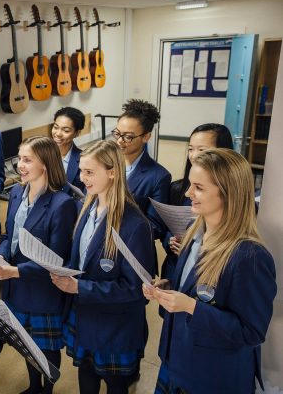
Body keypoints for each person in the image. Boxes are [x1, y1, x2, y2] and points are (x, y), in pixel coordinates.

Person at [144, 148, 277, 393]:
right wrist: (168, 290)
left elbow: (251, 332)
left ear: (228, 193)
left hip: (211, 377)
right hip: (175, 361)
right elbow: (194, 291)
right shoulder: (194, 232)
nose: (187, 193)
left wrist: (191, 307)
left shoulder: (250, 257)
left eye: (199, 187)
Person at [52, 140, 155, 394]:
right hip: (86, 316)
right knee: (86, 377)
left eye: (89, 172)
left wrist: (80, 287)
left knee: (115, 387)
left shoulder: (135, 225)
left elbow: (136, 289)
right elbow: (81, 260)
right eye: (81, 170)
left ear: (112, 172)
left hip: (115, 327)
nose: (82, 178)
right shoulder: (87, 208)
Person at [0, 136, 77, 394]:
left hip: (41, 290)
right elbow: (8, 235)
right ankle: (34, 387)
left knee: (45, 349)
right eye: (19, 159)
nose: (20, 166)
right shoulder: (16, 192)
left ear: (46, 164)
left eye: (27, 160)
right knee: (26, 344)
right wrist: (1, 255)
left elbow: (57, 259)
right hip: (15, 288)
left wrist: (14, 271)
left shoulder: (62, 204)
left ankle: (46, 391)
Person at [161, 123, 233, 280]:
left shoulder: (231, 197)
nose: (194, 156)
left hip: (208, 273)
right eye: (190, 149)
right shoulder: (178, 188)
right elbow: (167, 228)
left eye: (202, 150)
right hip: (176, 269)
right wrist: (171, 242)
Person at [113, 99, 171, 242]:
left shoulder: (158, 176)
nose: (120, 140)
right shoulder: (106, 163)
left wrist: (118, 232)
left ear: (146, 137)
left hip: (131, 247)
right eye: (117, 133)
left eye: (128, 136)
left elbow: (156, 226)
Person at [51, 107, 85, 194]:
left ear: (77, 133)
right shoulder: (42, 154)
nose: (58, 134)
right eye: (55, 127)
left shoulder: (84, 159)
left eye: (65, 130)